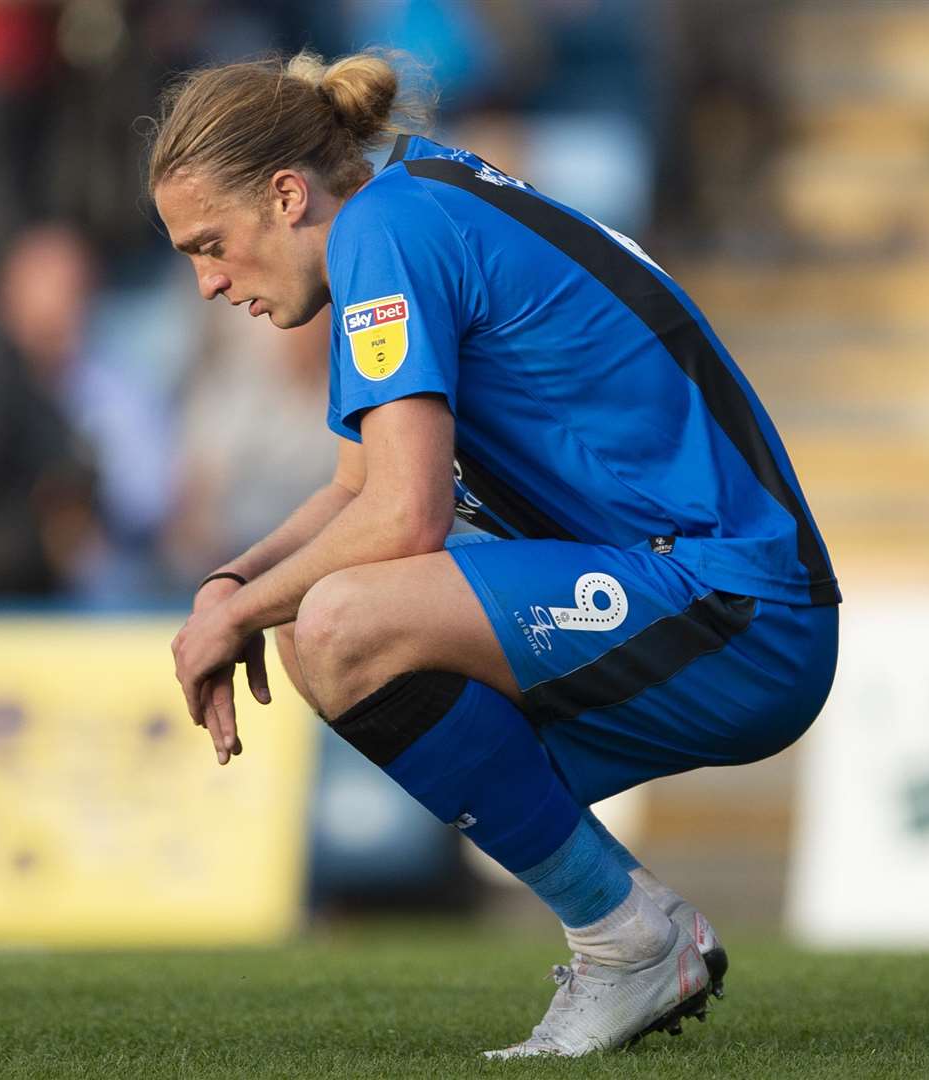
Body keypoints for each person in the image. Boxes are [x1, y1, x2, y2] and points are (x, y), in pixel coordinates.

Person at [152, 50, 840, 1058]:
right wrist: (231, 587)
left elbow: (401, 517)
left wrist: (240, 613)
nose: (208, 282)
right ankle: (627, 935)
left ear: (288, 195)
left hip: (736, 606)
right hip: (718, 594)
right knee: (319, 625)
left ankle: (627, 941)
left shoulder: (385, 234)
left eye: (210, 244)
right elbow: (354, 490)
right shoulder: (409, 203)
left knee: (339, 624)